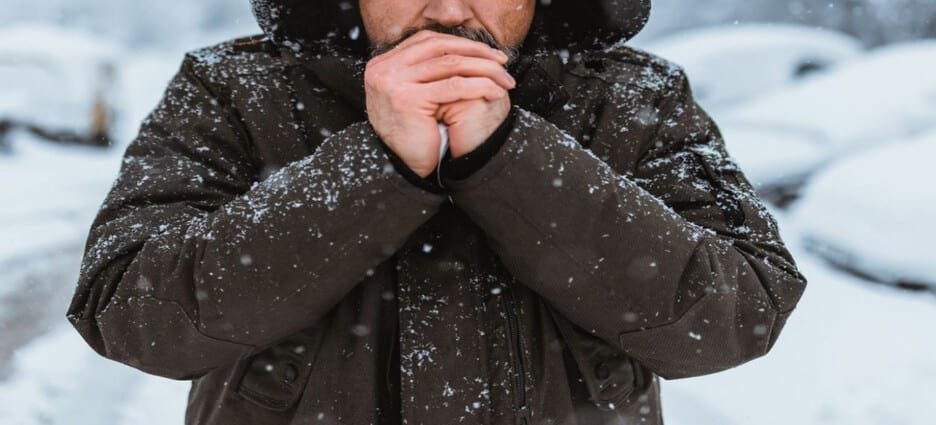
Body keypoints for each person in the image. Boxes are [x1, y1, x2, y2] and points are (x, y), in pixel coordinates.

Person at [65, 0, 808, 424]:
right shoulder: (235, 89)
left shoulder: (636, 99)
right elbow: (132, 317)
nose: (449, 11)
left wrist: (509, 157)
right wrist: (377, 163)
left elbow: (735, 317)